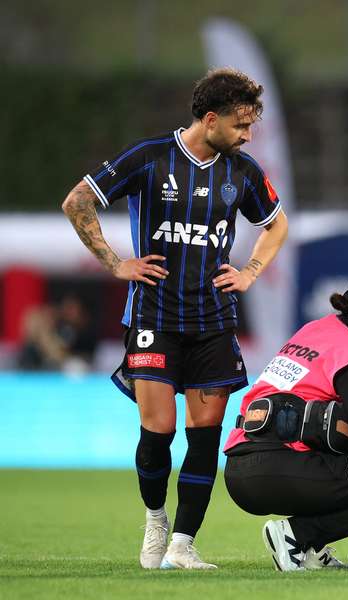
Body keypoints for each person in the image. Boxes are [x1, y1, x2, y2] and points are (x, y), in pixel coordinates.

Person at [61, 68, 288, 570]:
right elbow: (78, 201)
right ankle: (156, 519)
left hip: (213, 319)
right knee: (158, 429)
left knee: (206, 431)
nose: (247, 135)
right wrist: (116, 263)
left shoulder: (242, 172)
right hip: (154, 315)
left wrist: (250, 271)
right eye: (240, 125)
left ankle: (184, 544)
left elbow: (277, 224)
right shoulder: (149, 158)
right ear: (210, 119)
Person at [223, 278, 348, 571]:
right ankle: (296, 536)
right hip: (279, 468)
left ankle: (310, 549)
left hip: (239, 470)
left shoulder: (315, 331)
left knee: (335, 438)